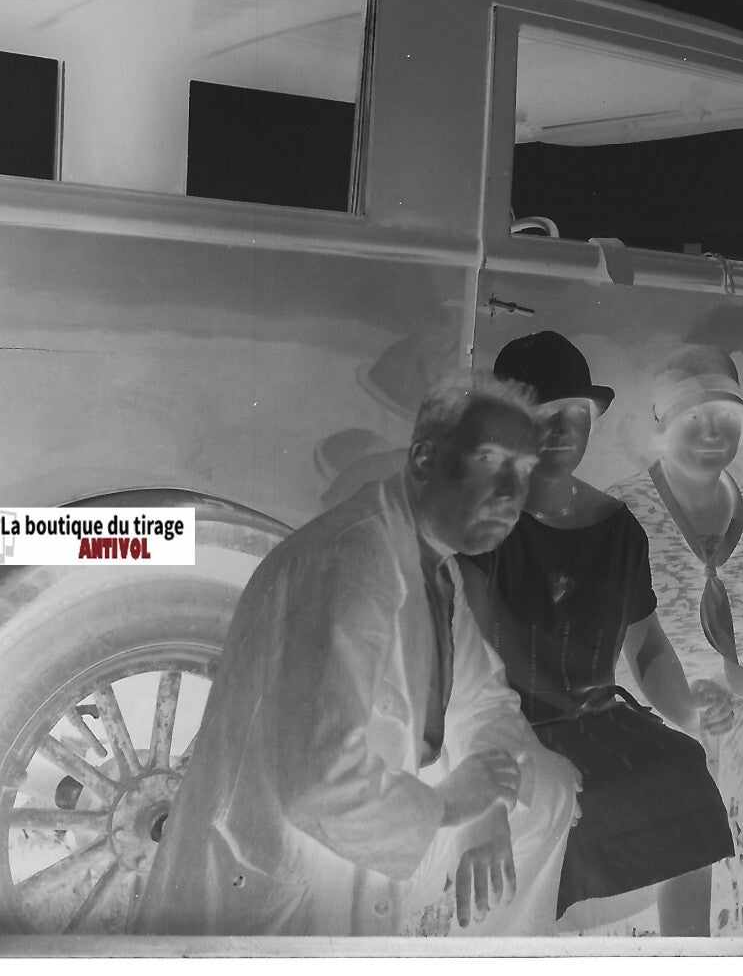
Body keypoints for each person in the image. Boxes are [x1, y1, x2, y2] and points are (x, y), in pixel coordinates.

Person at [132, 376, 579, 936]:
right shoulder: (353, 560)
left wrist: (486, 811)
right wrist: (448, 808)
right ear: (423, 458)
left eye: (524, 468)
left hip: (367, 842)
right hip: (281, 885)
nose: (511, 491)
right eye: (488, 459)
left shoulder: (434, 565)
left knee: (548, 788)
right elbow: (321, 787)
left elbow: (484, 701)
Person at [463, 331, 734, 935]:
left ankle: (685, 956)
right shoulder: (483, 522)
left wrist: (687, 705)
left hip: (596, 715)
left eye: (575, 415)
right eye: (541, 415)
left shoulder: (618, 528)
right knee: (562, 809)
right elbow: (470, 664)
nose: (560, 429)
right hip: (510, 723)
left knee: (683, 768)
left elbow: (648, 644)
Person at [607, 345, 743, 935]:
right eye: (693, 418)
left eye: (724, 418)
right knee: (686, 775)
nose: (710, 433)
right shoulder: (622, 511)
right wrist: (687, 700)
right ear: (661, 427)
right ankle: (687, 947)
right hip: (649, 696)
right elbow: (618, 637)